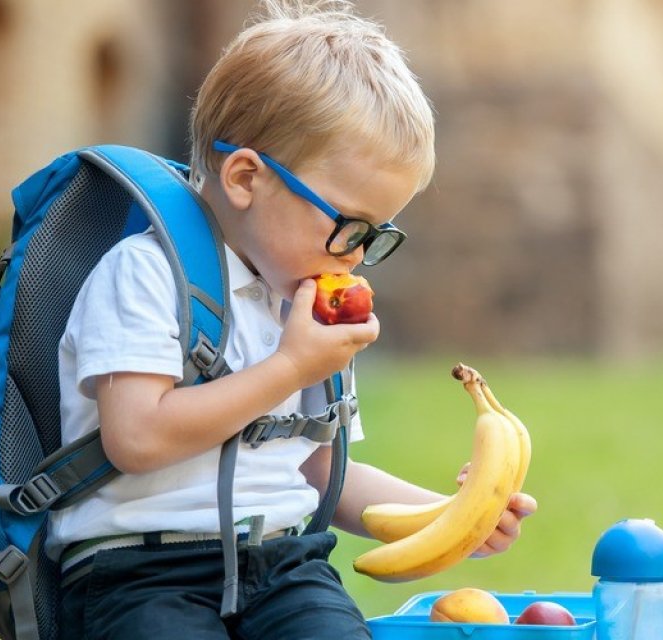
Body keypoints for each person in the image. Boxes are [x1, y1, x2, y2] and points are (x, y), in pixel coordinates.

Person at [48, 1, 537, 637]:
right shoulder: (144, 273)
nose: (357, 254)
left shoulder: (305, 304)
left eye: (376, 233)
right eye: (346, 224)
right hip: (140, 570)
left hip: (284, 564)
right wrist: (291, 366)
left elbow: (318, 469)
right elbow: (136, 439)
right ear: (247, 178)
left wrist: (453, 517)